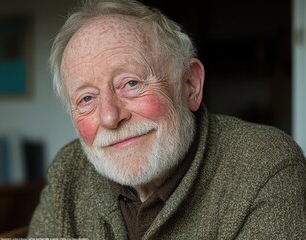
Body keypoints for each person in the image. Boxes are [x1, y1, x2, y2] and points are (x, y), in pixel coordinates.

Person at [28, 0, 306, 239]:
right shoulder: (69, 170)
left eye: (131, 83)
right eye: (86, 99)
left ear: (190, 85)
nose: (111, 117)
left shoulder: (264, 165)